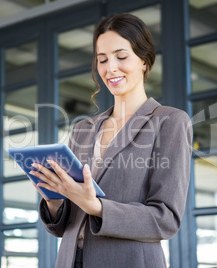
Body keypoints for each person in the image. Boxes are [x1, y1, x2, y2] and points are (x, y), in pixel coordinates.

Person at [29, 13, 193, 268]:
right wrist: (54, 200)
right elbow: (63, 226)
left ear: (144, 61)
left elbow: (165, 219)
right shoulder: (83, 129)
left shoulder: (170, 121)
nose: (110, 68)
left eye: (121, 56)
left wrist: (96, 207)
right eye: (102, 60)